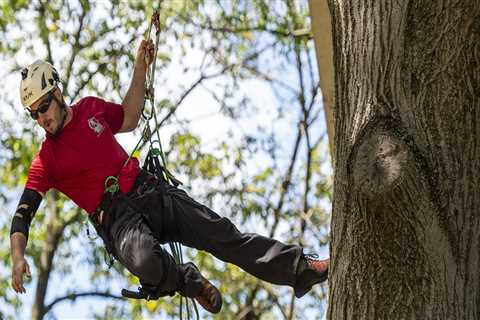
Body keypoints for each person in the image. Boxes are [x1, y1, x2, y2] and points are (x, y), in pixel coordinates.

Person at [10, 39, 329, 314]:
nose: (42, 117)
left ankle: (299, 269)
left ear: (58, 92)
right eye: (34, 113)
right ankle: (189, 281)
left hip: (149, 191)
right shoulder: (46, 160)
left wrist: (140, 68)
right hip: (119, 220)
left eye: (44, 106)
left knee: (222, 234)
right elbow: (23, 214)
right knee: (145, 262)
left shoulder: (90, 109)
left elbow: (130, 117)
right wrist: (18, 256)